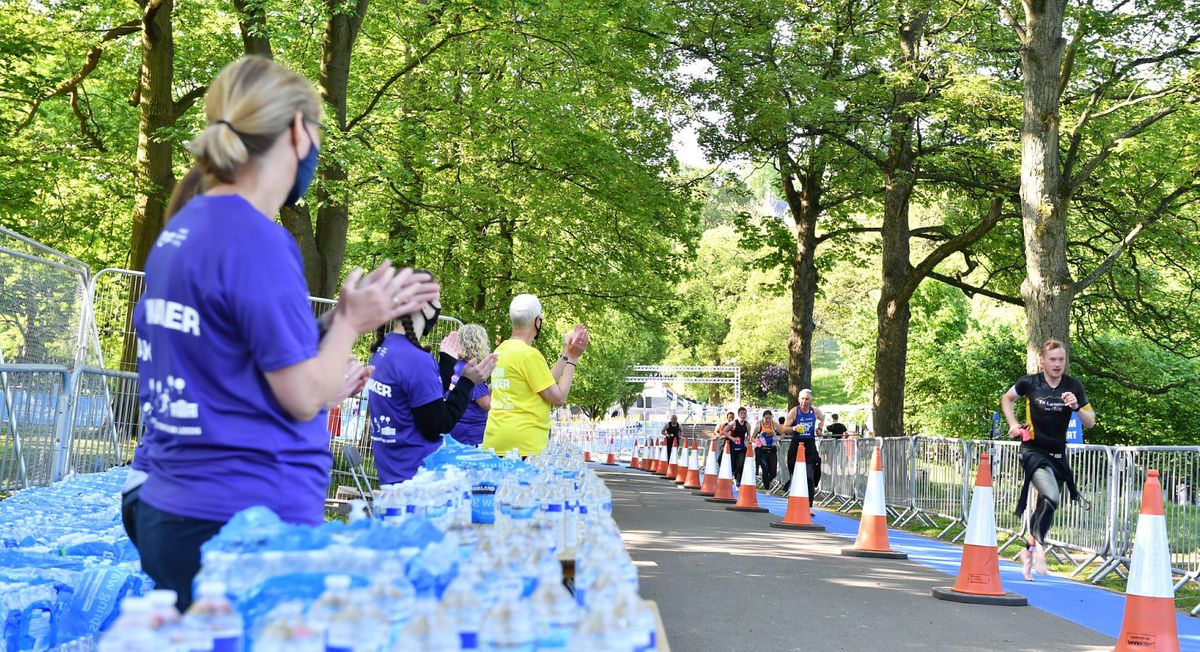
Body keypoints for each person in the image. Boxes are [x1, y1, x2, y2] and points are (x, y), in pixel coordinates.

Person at [131, 56, 439, 611]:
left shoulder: (185, 229)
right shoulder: (257, 240)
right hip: (240, 524)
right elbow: (301, 396)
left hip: (181, 507)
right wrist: (350, 322)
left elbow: (229, 358)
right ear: (299, 130)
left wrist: (330, 327)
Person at [367, 286, 497, 483]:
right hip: (418, 477)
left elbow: (425, 406)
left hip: (392, 470)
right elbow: (439, 423)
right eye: (437, 303)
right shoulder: (416, 359)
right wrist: (467, 382)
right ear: (425, 307)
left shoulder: (385, 350)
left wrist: (446, 362)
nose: (439, 309)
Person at [1000, 338, 1095, 581]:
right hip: (1032, 450)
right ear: (1042, 361)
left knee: (1049, 503)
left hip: (1057, 454)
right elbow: (1007, 398)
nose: (1057, 364)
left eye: (1061, 359)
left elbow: (1091, 421)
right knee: (1051, 494)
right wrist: (1013, 424)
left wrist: (1076, 408)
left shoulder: (1074, 386)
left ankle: (1028, 550)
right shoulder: (1029, 382)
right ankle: (1040, 546)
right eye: (1052, 359)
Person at [482, 294, 589, 456]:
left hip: (495, 440)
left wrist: (566, 352)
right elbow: (559, 398)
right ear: (538, 321)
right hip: (524, 445)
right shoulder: (529, 355)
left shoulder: (501, 350)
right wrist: (573, 358)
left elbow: (545, 383)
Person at [446, 324, 494, 447]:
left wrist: (489, 388)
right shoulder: (471, 371)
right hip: (470, 436)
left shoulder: (456, 366)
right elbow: (487, 404)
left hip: (455, 431)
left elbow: (473, 395)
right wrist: (499, 389)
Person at [782, 389, 824, 499]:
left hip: (809, 443)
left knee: (809, 475)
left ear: (811, 400)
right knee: (794, 470)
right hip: (796, 443)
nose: (804, 402)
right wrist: (794, 428)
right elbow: (784, 429)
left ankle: (809, 505)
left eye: (807, 399)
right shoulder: (794, 411)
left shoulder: (815, 411)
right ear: (798, 399)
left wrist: (819, 429)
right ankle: (793, 489)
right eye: (802, 399)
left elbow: (821, 419)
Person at [755, 409, 780, 490]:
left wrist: (778, 438)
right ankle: (767, 489)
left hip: (772, 450)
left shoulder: (775, 424)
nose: (768, 420)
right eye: (766, 418)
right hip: (762, 451)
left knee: (773, 472)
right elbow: (752, 437)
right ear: (763, 418)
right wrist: (757, 441)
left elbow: (783, 434)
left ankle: (768, 481)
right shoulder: (759, 425)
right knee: (765, 469)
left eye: (769, 418)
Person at [725, 407, 749, 479]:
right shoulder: (733, 423)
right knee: (733, 463)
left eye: (745, 413)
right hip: (733, 446)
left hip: (742, 447)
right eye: (742, 413)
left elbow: (749, 436)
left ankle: (738, 479)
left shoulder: (747, 425)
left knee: (741, 463)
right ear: (738, 414)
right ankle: (733, 475)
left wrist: (747, 439)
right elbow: (724, 431)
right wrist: (732, 438)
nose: (743, 415)